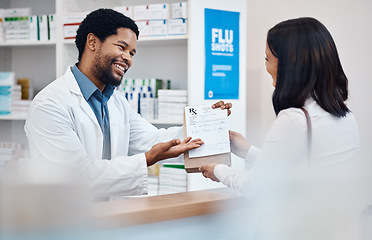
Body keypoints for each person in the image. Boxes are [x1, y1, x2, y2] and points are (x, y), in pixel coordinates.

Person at [24, 8, 231, 199]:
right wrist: (146, 159)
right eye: (122, 47)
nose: (128, 59)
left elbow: (152, 139)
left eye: (132, 53)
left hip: (108, 217)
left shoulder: (115, 100)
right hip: (62, 220)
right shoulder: (50, 104)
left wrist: (205, 123)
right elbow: (75, 177)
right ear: (93, 42)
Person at [200, 17, 360, 239]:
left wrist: (217, 169)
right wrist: (248, 151)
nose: (266, 66)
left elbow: (256, 186)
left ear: (289, 63)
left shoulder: (295, 119)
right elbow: (303, 170)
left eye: (267, 58)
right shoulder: (345, 117)